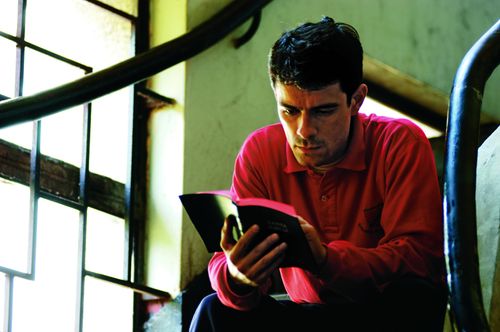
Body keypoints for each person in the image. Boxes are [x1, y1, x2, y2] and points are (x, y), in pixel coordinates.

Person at [189, 16, 447, 332]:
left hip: (380, 315)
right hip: (306, 316)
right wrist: (238, 276)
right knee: (214, 310)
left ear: (356, 100)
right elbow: (222, 264)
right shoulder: (260, 153)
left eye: (323, 111)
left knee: (414, 297)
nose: (304, 131)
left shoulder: (398, 143)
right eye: (290, 111)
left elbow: (419, 260)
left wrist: (326, 260)